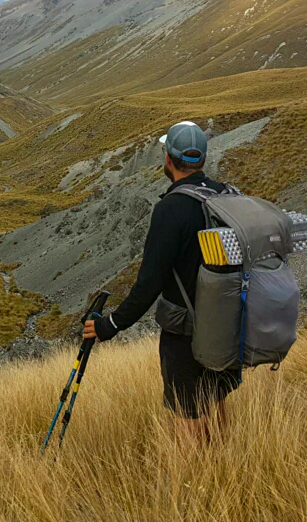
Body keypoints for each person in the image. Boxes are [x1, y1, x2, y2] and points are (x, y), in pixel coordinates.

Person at [83, 120, 242, 441]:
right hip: (228, 323)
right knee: (216, 400)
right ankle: (226, 468)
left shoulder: (171, 209)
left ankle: (190, 486)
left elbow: (149, 284)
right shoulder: (226, 194)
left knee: (187, 415)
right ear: (203, 159)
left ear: (168, 159)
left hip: (184, 333)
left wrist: (109, 325)